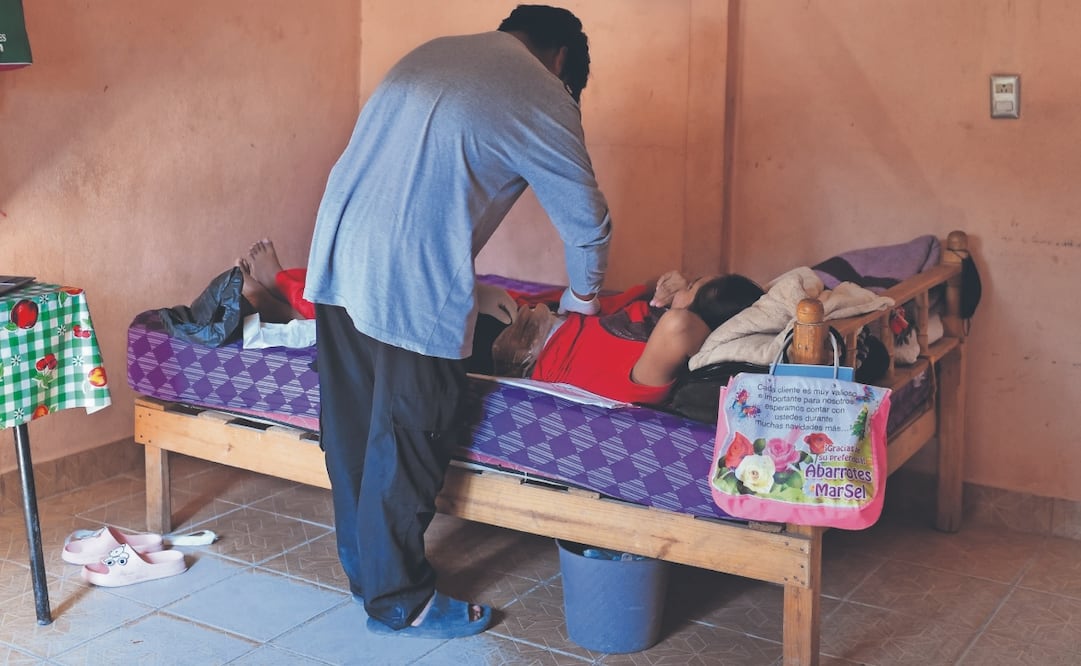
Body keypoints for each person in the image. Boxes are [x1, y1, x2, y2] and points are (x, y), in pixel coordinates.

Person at [301, 6, 612, 639]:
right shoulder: (539, 86)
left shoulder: (435, 51)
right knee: (413, 426)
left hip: (336, 249)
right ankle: (400, 601)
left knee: (355, 427)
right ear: (559, 60)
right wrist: (582, 306)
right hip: (410, 269)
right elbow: (587, 221)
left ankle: (368, 576)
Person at [492, 273, 765, 404]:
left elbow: (679, 326)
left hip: (520, 350)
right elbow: (647, 288)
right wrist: (666, 289)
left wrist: (685, 306)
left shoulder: (654, 364)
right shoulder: (656, 317)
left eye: (692, 286)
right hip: (539, 318)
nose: (684, 284)